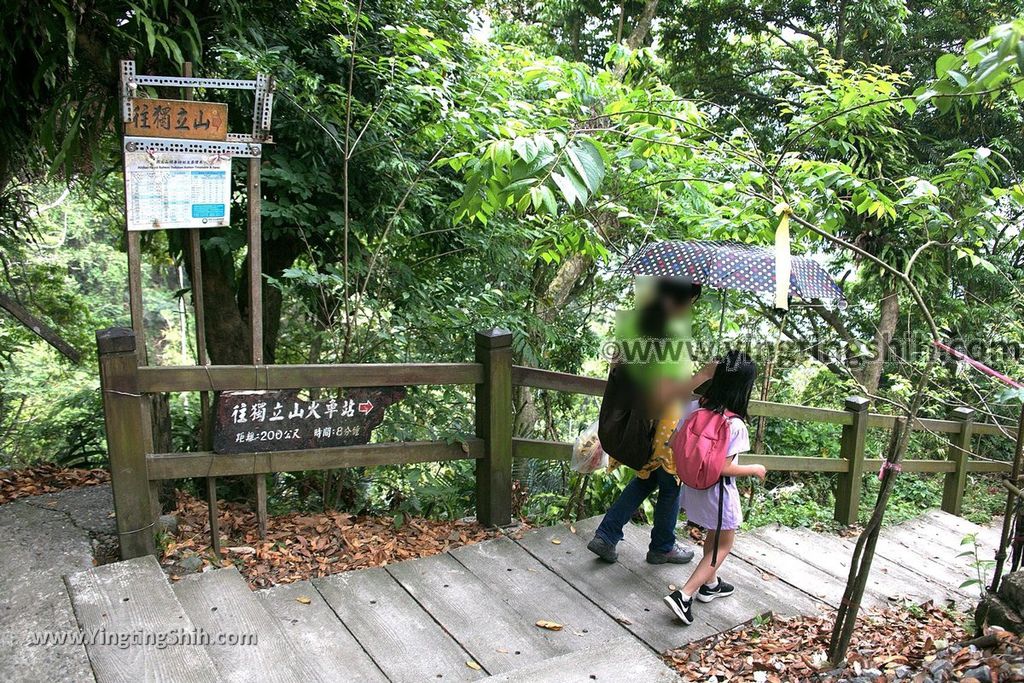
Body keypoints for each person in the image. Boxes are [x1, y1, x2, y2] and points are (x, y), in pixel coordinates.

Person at [586, 277, 716, 565]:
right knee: (670, 483)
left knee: (647, 478)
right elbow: (663, 393)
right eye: (689, 303)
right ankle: (662, 546)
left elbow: (622, 373)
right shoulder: (671, 337)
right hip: (663, 425)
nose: (687, 310)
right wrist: (704, 375)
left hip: (637, 422)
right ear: (675, 301)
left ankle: (607, 535)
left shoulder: (632, 325)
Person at [663, 350, 766, 625]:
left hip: (693, 488)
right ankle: (684, 595)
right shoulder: (734, 424)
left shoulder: (695, 407)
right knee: (724, 544)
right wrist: (754, 469)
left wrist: (705, 373)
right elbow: (724, 468)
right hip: (718, 492)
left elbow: (673, 442)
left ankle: (711, 584)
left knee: (715, 535)